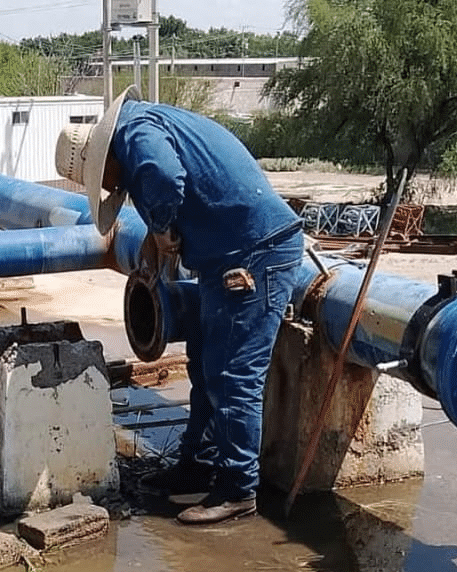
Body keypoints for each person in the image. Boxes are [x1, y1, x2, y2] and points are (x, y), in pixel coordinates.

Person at [55, 85, 305, 525]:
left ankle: (238, 489)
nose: (113, 186)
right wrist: (154, 253)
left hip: (253, 255)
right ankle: (200, 463)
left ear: (104, 155)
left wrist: (166, 227)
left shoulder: (136, 134)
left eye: (107, 179)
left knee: (233, 376)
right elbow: (167, 191)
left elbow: (167, 181)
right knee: (206, 363)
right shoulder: (148, 124)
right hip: (232, 255)